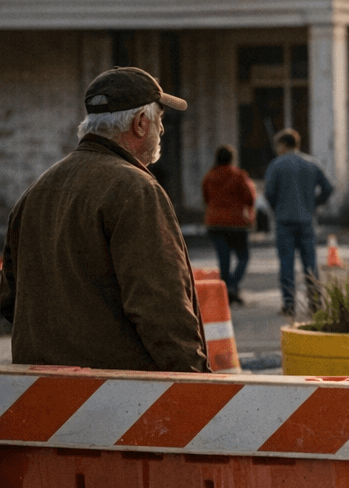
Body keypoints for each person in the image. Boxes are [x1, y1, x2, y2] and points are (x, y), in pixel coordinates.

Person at [0, 66, 209, 371]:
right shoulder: (136, 189)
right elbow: (160, 306)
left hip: (40, 393)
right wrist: (195, 381)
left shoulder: (36, 191)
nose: (161, 130)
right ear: (140, 123)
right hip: (118, 396)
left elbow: (9, 297)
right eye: (159, 119)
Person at [264, 128, 334, 317]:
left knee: (286, 263)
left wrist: (277, 208)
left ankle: (289, 304)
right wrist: (314, 204)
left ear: (283, 145)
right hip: (306, 220)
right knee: (310, 263)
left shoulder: (276, 165)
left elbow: (269, 193)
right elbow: (328, 188)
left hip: (284, 221)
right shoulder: (311, 163)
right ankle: (315, 303)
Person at [201, 144, 257, 304]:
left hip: (214, 222)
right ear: (232, 159)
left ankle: (224, 291)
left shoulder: (209, 176)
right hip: (236, 223)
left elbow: (205, 198)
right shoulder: (238, 175)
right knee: (243, 257)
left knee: (223, 257)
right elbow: (250, 197)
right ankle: (232, 286)